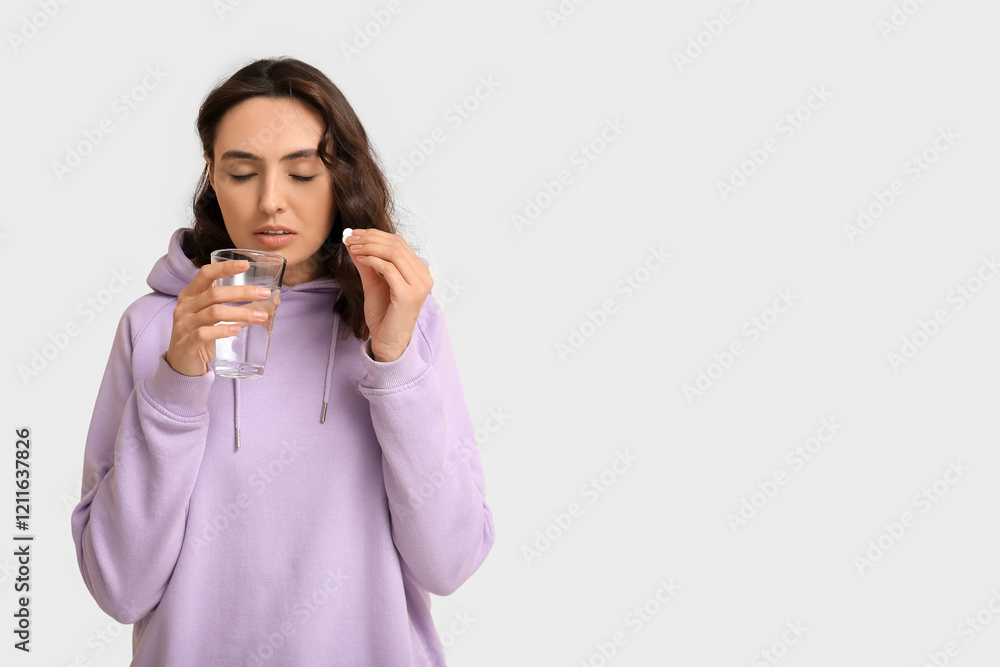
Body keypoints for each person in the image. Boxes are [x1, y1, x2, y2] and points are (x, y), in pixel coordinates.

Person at [70, 56, 495, 666]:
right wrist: (176, 383)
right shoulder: (152, 327)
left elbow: (448, 563)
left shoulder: (405, 320)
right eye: (242, 172)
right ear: (212, 178)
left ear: (340, 180)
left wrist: (394, 364)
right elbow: (119, 588)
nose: (271, 202)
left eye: (302, 174)